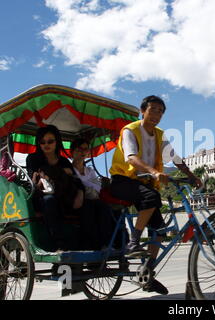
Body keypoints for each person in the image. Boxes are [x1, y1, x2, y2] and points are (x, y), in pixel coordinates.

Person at [109, 95, 202, 295]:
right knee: (151, 197)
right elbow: (132, 159)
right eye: (153, 110)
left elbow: (175, 158)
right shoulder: (130, 130)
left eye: (160, 111)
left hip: (144, 183)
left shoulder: (160, 134)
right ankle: (133, 241)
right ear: (143, 111)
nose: (156, 115)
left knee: (159, 230)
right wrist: (154, 172)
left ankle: (147, 272)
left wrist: (192, 176)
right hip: (122, 181)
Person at [26, 125, 86, 250]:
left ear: (57, 141)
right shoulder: (32, 158)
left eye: (50, 141)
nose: (46, 144)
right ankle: (59, 244)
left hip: (64, 197)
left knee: (93, 205)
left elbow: (78, 181)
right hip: (42, 197)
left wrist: (80, 194)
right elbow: (33, 177)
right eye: (42, 142)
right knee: (50, 200)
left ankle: (96, 245)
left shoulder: (64, 161)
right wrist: (62, 171)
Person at [70, 138, 114, 250]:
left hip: (93, 200)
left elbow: (98, 187)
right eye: (79, 149)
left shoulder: (90, 170)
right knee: (89, 207)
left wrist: (85, 186)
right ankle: (92, 244)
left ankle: (106, 243)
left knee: (106, 207)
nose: (82, 152)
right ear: (72, 151)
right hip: (76, 201)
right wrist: (88, 186)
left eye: (85, 149)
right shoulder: (69, 170)